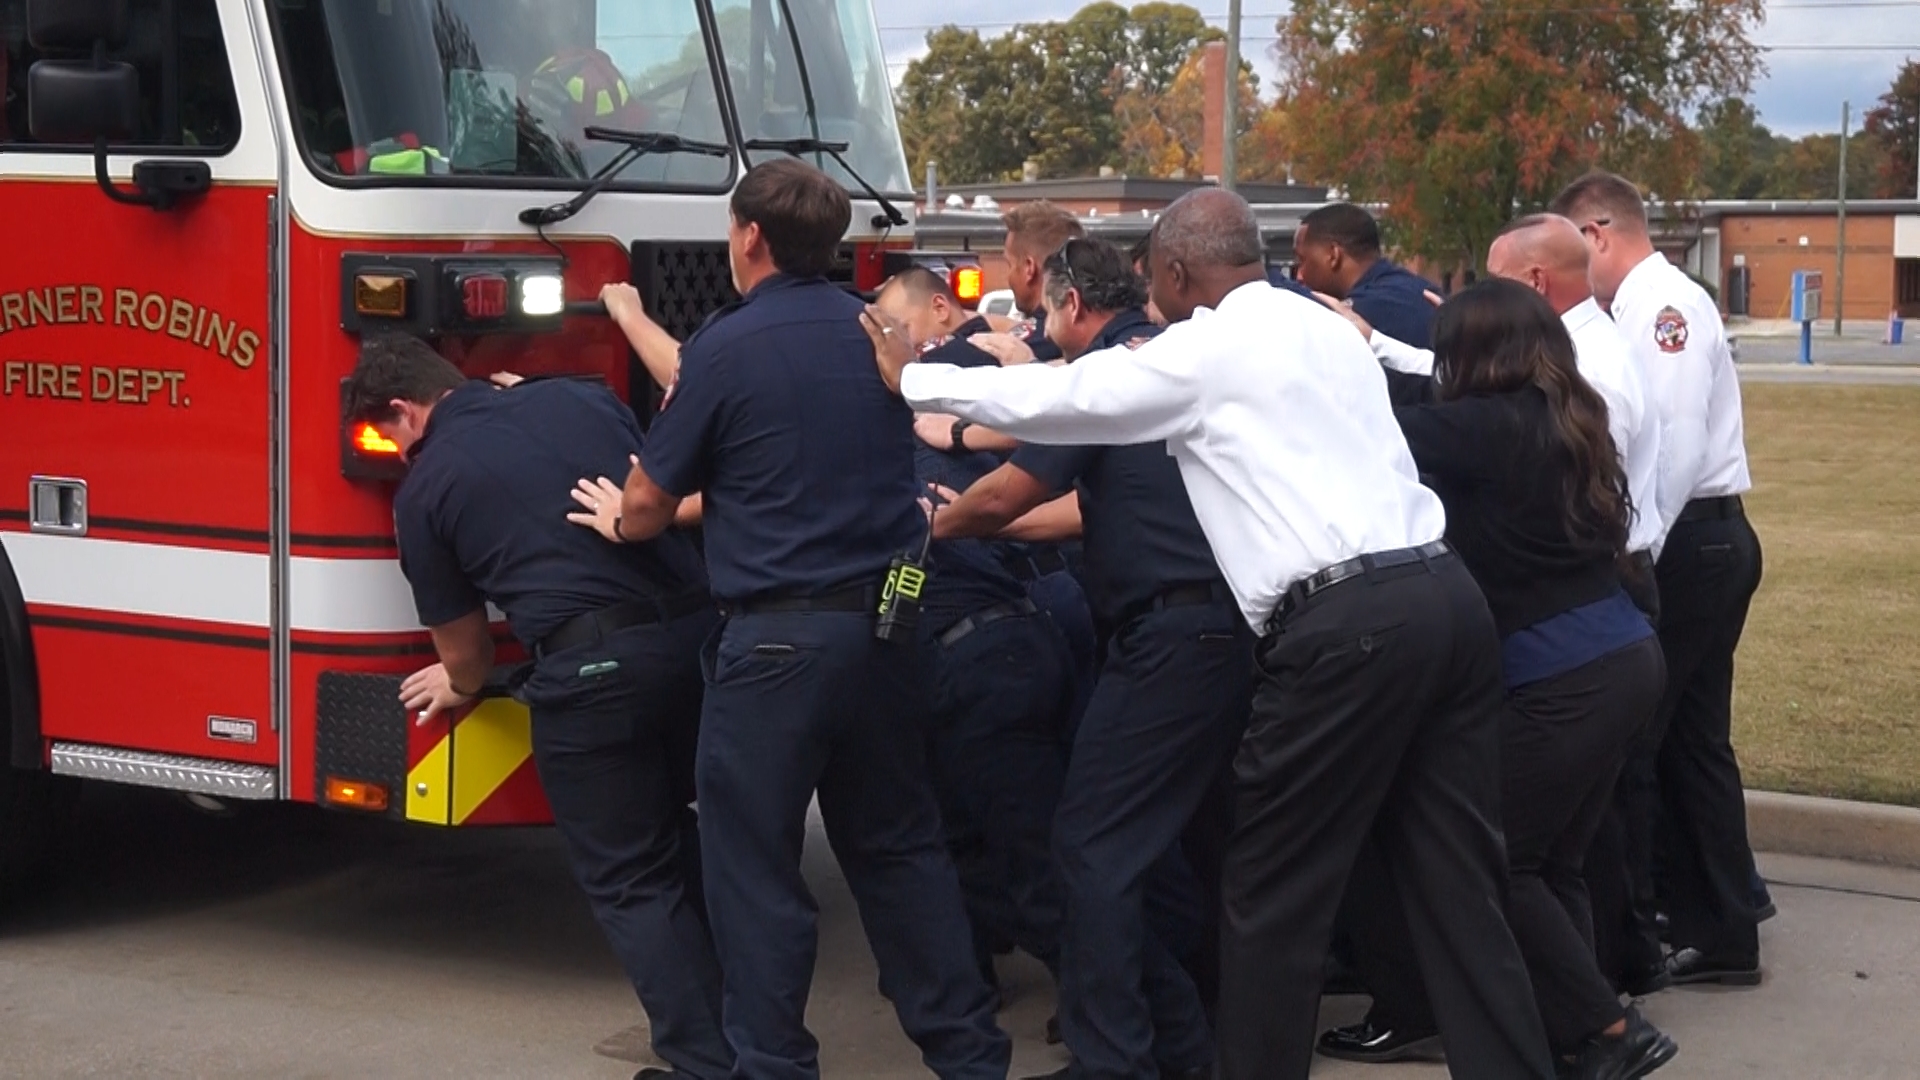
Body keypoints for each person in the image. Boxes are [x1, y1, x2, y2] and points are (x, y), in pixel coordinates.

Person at [866, 188, 1555, 1080]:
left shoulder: (1206, 345)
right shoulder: (1316, 323)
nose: (1149, 302)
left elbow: (1068, 396)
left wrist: (912, 379)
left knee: (1270, 895)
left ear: (1180, 272)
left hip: (1346, 627)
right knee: (1459, 884)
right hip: (1443, 597)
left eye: (1154, 282)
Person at [568, 157, 1010, 1080]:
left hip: (774, 646)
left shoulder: (728, 346)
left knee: (755, 874)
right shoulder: (880, 331)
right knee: (902, 850)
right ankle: (971, 1058)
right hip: (889, 629)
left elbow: (652, 498)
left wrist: (624, 515)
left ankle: (772, 1067)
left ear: (751, 238)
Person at [343, 335, 731, 1080]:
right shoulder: (579, 395)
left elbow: (468, 660)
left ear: (405, 410)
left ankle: (704, 1063)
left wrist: (459, 682)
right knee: (685, 837)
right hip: (701, 644)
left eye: (390, 438)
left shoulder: (425, 491)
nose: (395, 455)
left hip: (594, 677)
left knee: (630, 876)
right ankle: (759, 1025)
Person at [1323, 280, 1679, 1079]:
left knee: (1492, 864)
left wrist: (1339, 354)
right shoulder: (1560, 413)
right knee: (1551, 866)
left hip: (1564, 679)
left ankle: (1611, 1030)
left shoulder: (1483, 428)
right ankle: (1576, 1029)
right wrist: (1371, 344)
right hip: (1618, 657)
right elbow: (1422, 403)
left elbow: (1379, 430)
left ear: (1475, 356)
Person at [922, 238, 1250, 1080]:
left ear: (1068, 306)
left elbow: (1017, 494)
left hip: (1168, 638)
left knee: (1090, 849)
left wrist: (932, 523)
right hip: (1231, 626)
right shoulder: (1171, 359)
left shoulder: (1103, 380)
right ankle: (1196, 1036)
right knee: (1192, 845)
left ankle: (1116, 1057)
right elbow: (1070, 506)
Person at [1552, 171, 1769, 988]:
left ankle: (1642, 931)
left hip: (1687, 543)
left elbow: (1672, 448)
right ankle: (1720, 922)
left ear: (1599, 232)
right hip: (1704, 541)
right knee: (1690, 743)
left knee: (1644, 746)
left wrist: (1631, 545)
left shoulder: (1664, 308)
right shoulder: (1641, 306)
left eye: (1577, 252)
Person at [873, 266, 1078, 1005]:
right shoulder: (957, 433)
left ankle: (1137, 1023)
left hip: (976, 657)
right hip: (1022, 636)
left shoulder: (895, 450)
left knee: (1029, 853)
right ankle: (974, 974)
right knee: (977, 831)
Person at [1294, 201, 1442, 349]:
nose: (1299, 276)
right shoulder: (1421, 292)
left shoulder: (1360, 313)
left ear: (1333, 255)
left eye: (1302, 260)